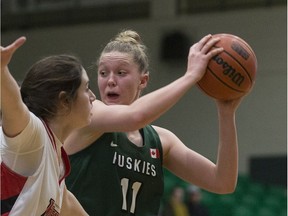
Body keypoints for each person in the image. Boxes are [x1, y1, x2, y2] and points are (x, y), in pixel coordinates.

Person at [64, 30, 234, 216]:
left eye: (121, 73)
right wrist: (190, 76)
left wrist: (226, 112)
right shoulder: (89, 115)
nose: (110, 80)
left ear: (143, 81)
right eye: (103, 73)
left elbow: (222, 182)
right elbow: (134, 117)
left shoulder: (161, 140)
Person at [1, 37, 93, 215]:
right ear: (65, 100)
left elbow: (66, 201)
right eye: (87, 87)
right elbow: (14, 107)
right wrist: (1, 71)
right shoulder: (34, 138)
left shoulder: (56, 163)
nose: (92, 96)